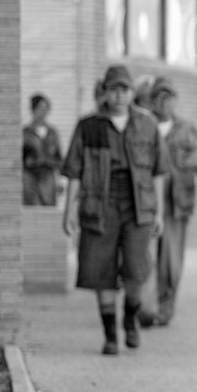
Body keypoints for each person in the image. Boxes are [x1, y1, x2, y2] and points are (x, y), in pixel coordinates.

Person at [60, 65, 167, 355]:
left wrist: (158, 213)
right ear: (105, 92)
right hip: (100, 205)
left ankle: (130, 318)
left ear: (132, 92)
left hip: (138, 207)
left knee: (136, 270)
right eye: (113, 89)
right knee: (101, 270)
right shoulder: (88, 126)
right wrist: (68, 211)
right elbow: (74, 172)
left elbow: (159, 171)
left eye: (124, 89)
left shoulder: (147, 124)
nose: (119, 95)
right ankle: (110, 335)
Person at [136, 77, 197, 326]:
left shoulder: (185, 129)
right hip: (147, 202)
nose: (164, 103)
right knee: (146, 257)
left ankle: (165, 306)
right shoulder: (143, 126)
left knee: (171, 261)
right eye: (159, 98)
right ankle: (145, 307)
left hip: (176, 204)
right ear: (151, 101)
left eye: (169, 98)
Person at [22, 93, 63, 206]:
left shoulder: (52, 133)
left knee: (48, 207)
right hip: (30, 175)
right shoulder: (25, 133)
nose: (43, 112)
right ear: (33, 109)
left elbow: (58, 158)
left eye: (46, 108)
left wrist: (60, 181)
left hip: (47, 175)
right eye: (40, 108)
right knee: (31, 207)